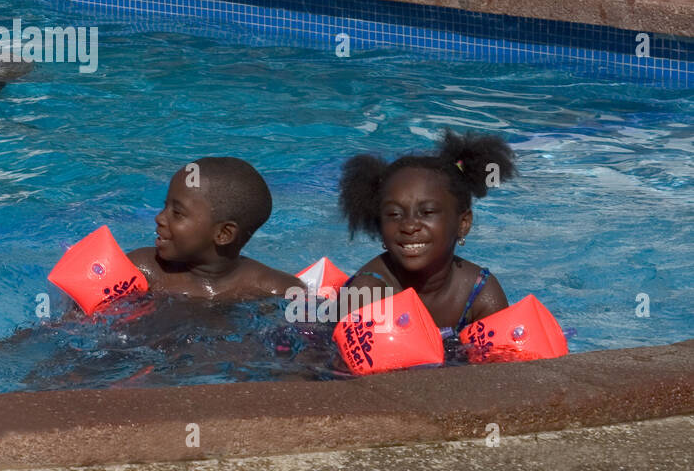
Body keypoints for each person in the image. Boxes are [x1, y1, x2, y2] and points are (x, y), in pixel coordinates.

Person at [336, 129, 516, 338]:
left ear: (463, 224)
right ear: (379, 226)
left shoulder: (479, 292)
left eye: (427, 212)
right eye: (394, 214)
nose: (409, 226)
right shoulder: (367, 293)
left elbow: (501, 365)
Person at [126, 157, 298, 301]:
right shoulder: (144, 269)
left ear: (223, 234)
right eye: (165, 206)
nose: (160, 218)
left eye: (177, 213)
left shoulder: (276, 289)